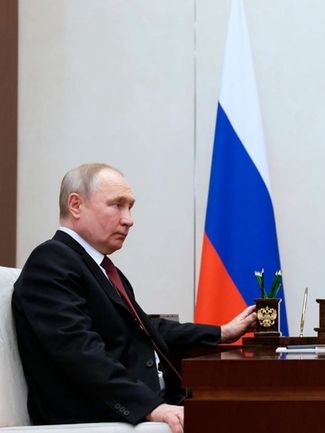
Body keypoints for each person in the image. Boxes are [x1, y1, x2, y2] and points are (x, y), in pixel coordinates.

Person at [12, 163, 257, 433]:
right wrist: (152, 407)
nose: (129, 219)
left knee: (260, 408)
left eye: (130, 207)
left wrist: (221, 332)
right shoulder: (52, 261)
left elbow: (147, 329)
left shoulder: (100, 268)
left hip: (155, 399)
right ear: (75, 205)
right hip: (98, 418)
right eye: (117, 205)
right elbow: (80, 353)